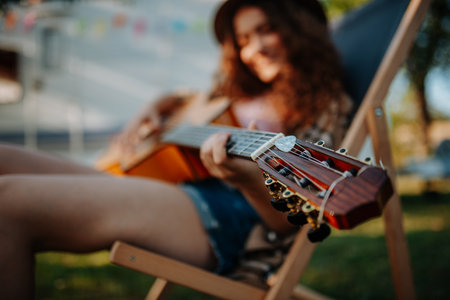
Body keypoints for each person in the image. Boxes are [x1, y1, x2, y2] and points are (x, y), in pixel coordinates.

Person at [0, 0, 353, 298]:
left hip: (232, 215)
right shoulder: (238, 92)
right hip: (180, 190)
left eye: (266, 29)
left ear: (298, 28)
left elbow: (294, 216)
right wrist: (152, 109)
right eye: (244, 39)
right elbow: (186, 98)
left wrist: (244, 177)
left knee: (9, 204)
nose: (254, 48)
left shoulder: (325, 105)